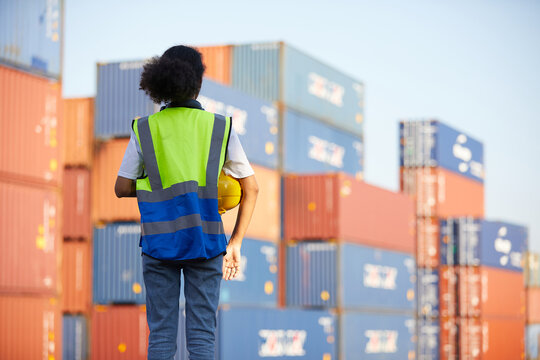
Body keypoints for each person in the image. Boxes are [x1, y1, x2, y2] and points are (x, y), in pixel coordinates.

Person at [114, 45, 258, 360]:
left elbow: (121, 187)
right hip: (206, 243)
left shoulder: (145, 128)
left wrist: (154, 184)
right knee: (202, 341)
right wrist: (235, 242)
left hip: (157, 244)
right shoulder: (220, 127)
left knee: (162, 339)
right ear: (199, 81)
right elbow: (252, 189)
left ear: (161, 80)